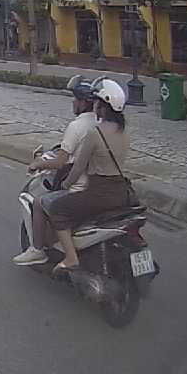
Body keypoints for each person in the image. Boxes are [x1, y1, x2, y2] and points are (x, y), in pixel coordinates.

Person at [16, 79, 133, 271]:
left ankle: (69, 257)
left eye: (97, 102)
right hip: (121, 190)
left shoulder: (95, 133)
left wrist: (65, 185)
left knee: (55, 208)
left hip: (98, 191)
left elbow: (78, 167)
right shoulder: (125, 132)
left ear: (102, 106)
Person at [13, 76, 100, 267]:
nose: (73, 102)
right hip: (99, 186)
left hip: (79, 187)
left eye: (75, 99)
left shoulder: (77, 127)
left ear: (83, 102)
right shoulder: (100, 124)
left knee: (40, 203)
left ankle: (37, 250)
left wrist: (38, 164)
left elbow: (60, 162)